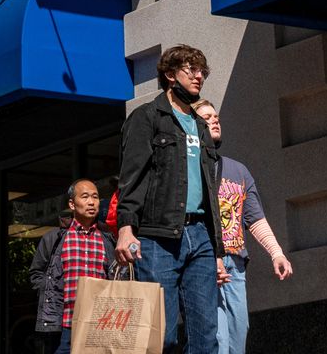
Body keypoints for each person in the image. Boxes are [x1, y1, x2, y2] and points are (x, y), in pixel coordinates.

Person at [114, 44, 221, 354]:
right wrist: (126, 226)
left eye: (203, 71)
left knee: (206, 336)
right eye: (192, 69)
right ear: (171, 75)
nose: (199, 75)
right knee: (161, 336)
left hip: (200, 235)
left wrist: (217, 246)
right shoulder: (147, 117)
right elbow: (132, 176)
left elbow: (208, 187)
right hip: (158, 237)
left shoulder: (201, 125)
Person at [192, 98, 294, 354]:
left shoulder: (238, 170)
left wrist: (276, 252)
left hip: (235, 265)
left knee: (239, 336)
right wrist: (211, 256)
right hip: (204, 264)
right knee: (217, 341)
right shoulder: (189, 170)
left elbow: (254, 218)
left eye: (216, 117)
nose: (214, 120)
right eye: (206, 118)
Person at [31, 178, 118, 354]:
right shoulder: (54, 239)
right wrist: (51, 293)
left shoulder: (108, 239)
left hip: (99, 327)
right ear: (72, 204)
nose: (91, 202)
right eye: (85, 196)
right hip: (64, 326)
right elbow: (36, 274)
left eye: (95, 197)